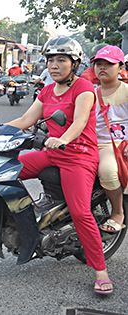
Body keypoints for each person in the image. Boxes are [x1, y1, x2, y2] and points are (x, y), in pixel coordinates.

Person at [0, 35, 113, 295]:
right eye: (50, 60)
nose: (54, 65)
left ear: (74, 63)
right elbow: (27, 119)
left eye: (61, 60)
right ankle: (28, 218)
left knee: (80, 212)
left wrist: (62, 139)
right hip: (52, 153)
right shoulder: (48, 90)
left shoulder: (84, 88)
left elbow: (79, 122)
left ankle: (100, 271)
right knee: (3, 168)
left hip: (78, 156)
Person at [91, 45, 127, 233]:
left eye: (109, 64)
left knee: (107, 170)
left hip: (114, 144)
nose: (102, 68)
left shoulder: (126, 91)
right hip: (89, 142)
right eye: (99, 64)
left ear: (121, 68)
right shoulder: (90, 92)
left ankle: (118, 212)